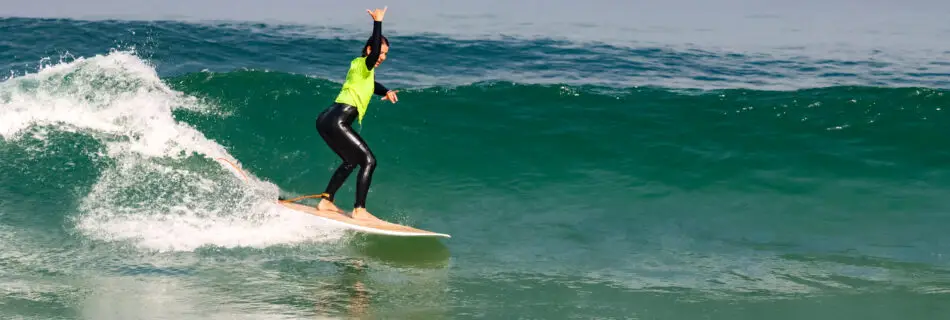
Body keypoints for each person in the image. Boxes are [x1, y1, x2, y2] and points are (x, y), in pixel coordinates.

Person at [312, 6, 398, 221]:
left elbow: (372, 84)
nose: (382, 57)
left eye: (386, 54)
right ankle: (359, 209)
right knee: (369, 161)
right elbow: (375, 54)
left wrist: (386, 91)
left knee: (351, 161)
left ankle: (326, 201)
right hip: (339, 119)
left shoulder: (360, 68)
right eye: (380, 51)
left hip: (326, 119)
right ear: (369, 49)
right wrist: (378, 22)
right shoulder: (365, 63)